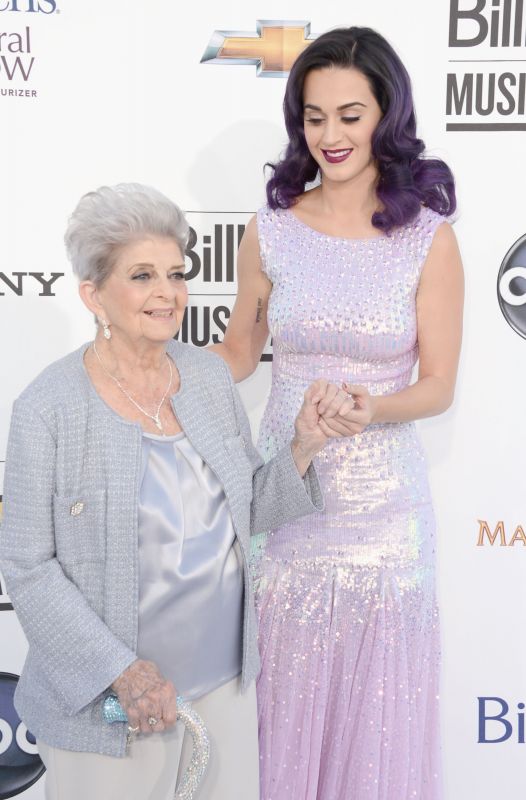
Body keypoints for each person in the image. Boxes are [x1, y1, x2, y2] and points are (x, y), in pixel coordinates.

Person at [0, 183, 352, 800]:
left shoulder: (208, 377)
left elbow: (248, 508)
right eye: (142, 276)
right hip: (111, 706)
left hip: (223, 687)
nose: (167, 293)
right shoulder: (48, 408)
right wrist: (122, 674)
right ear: (94, 296)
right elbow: (27, 567)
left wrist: (303, 446)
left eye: (176, 273)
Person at [211, 26, 464, 800]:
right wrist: (150, 364)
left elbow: (439, 385)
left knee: (377, 727)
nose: (330, 135)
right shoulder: (271, 229)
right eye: (314, 117)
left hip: (386, 521)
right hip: (287, 503)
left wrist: (371, 406)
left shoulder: (428, 239)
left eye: (350, 115)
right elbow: (240, 349)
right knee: (280, 714)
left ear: (386, 115)